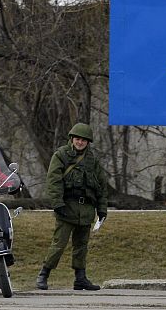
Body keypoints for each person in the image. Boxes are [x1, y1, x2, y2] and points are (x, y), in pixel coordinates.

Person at [36, 122, 108, 291]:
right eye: (77, 139)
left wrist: (102, 209)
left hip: (86, 210)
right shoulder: (61, 155)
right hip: (67, 207)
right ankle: (44, 274)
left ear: (88, 142)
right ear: (72, 139)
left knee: (82, 246)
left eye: (83, 140)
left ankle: (80, 278)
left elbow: (101, 187)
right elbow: (53, 181)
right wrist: (58, 204)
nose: (80, 142)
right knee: (58, 244)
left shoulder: (93, 161)